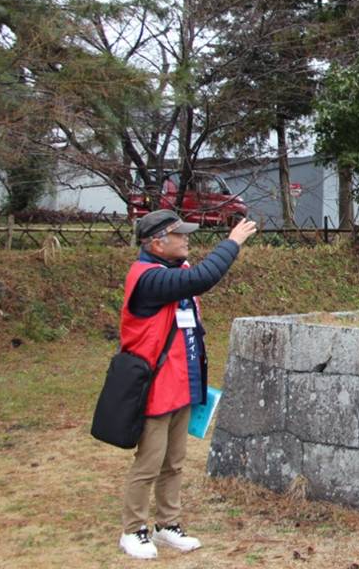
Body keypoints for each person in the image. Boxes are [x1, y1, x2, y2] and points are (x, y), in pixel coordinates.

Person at [117, 208, 257, 560]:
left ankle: (167, 524)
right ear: (156, 243)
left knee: (174, 462)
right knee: (149, 463)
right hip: (154, 389)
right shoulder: (148, 279)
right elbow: (202, 278)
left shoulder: (174, 271)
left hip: (180, 385)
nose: (187, 239)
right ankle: (133, 530)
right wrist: (232, 242)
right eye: (179, 234)